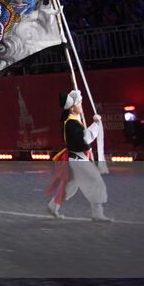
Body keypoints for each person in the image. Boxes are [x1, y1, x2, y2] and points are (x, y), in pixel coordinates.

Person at [47, 90, 111, 221]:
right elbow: (85, 139)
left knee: (71, 186)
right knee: (95, 181)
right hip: (78, 160)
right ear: (72, 107)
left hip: (76, 159)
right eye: (79, 103)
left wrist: (94, 125)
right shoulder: (71, 123)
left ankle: (53, 206)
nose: (81, 105)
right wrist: (96, 125)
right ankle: (97, 214)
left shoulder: (73, 121)